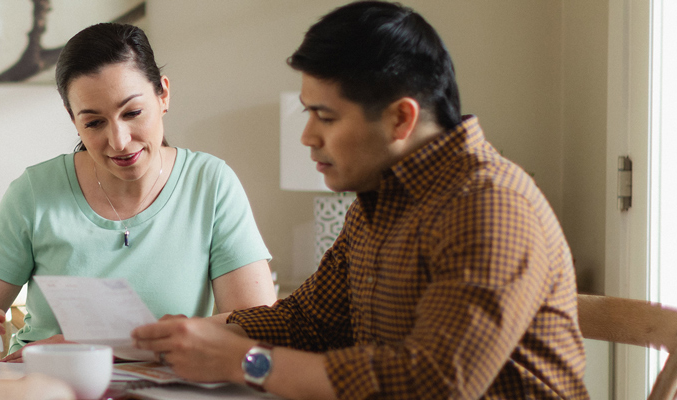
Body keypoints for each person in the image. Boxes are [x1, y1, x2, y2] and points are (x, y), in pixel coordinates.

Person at [131, 2, 589, 399]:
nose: (308, 137)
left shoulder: (491, 207)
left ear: (400, 118)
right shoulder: (381, 197)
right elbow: (309, 321)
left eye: (325, 117)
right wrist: (198, 334)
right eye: (307, 113)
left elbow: (431, 386)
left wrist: (248, 362)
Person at [0, 22, 277, 361]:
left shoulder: (211, 184)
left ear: (164, 95)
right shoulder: (35, 192)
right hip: (43, 384)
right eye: (94, 123)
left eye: (133, 112)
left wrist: (89, 349)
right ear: (73, 120)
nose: (119, 141)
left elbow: (258, 328)